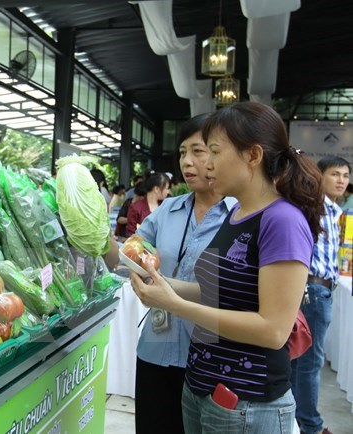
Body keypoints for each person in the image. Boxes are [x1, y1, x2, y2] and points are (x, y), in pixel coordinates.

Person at [130, 102, 324, 434]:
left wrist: (176, 306)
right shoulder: (238, 214)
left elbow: (273, 330)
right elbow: (215, 293)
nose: (207, 164)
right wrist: (164, 286)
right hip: (204, 389)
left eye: (214, 152)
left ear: (253, 155)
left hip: (246, 402)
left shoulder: (282, 220)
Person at [133, 114, 237, 434]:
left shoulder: (242, 216)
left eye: (198, 151)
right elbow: (133, 248)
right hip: (155, 348)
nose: (186, 162)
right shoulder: (169, 208)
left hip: (210, 360)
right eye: (181, 152)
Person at [292, 156, 350, 434]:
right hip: (313, 290)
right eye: (335, 174)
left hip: (322, 288)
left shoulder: (335, 211)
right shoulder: (314, 208)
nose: (341, 180)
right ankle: (311, 426)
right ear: (320, 177)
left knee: (303, 359)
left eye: (345, 175)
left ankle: (298, 420)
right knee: (310, 363)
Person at [125, 171, 171, 236]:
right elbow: (131, 233)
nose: (168, 192)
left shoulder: (166, 206)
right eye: (166, 188)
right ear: (156, 189)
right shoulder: (135, 208)